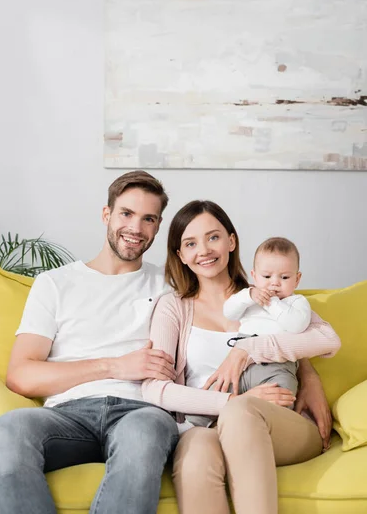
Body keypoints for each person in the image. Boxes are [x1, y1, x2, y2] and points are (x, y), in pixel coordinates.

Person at [0, 170, 180, 514]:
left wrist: (308, 378)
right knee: (7, 430)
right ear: (107, 215)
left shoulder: (172, 285)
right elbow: (21, 375)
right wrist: (115, 366)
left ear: (158, 225)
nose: (136, 228)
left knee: (143, 433)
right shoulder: (55, 283)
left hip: (141, 412)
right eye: (126, 214)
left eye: (148, 219)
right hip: (67, 417)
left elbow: (243, 321)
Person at [142, 200, 341, 514]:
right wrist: (232, 401)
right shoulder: (173, 306)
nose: (204, 249)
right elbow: (154, 388)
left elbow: (327, 339)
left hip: (282, 425)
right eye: (190, 243)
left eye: (213, 237)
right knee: (196, 456)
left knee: (243, 414)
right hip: (208, 426)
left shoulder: (266, 291)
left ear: (231, 241)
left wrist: (251, 351)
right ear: (181, 255)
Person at [186, 236, 311, 428]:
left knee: (281, 399)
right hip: (241, 367)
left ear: (297, 279)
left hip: (277, 367)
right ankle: (191, 425)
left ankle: (271, 431)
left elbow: (296, 326)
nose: (274, 284)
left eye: (284, 277)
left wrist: (272, 303)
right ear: (254, 275)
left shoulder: (296, 303)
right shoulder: (251, 298)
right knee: (215, 391)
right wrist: (249, 295)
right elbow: (229, 312)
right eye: (267, 277)